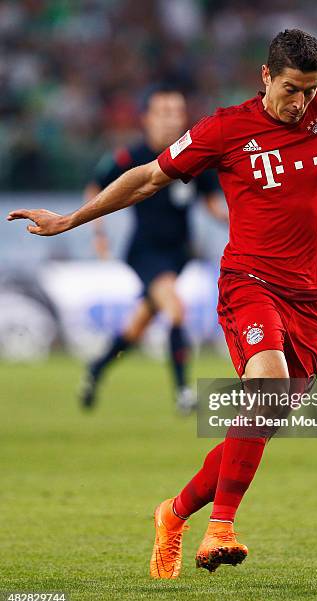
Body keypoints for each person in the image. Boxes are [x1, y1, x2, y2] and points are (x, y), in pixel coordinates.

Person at [8, 29, 317, 578]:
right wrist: (70, 221)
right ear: (265, 76)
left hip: (312, 300)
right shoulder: (225, 129)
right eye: (289, 89)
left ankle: (175, 513)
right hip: (249, 283)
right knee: (267, 385)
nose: (300, 102)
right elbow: (146, 179)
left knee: (257, 422)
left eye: (309, 89)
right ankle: (221, 528)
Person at [79, 84, 225, 414]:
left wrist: (244, 219)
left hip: (179, 254)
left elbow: (214, 204)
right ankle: (184, 393)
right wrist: (98, 233)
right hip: (146, 253)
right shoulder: (129, 157)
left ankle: (96, 369)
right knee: (176, 310)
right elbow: (94, 187)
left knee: (138, 326)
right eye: (164, 112)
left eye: (177, 112)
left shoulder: (194, 156)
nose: (172, 120)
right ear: (146, 118)